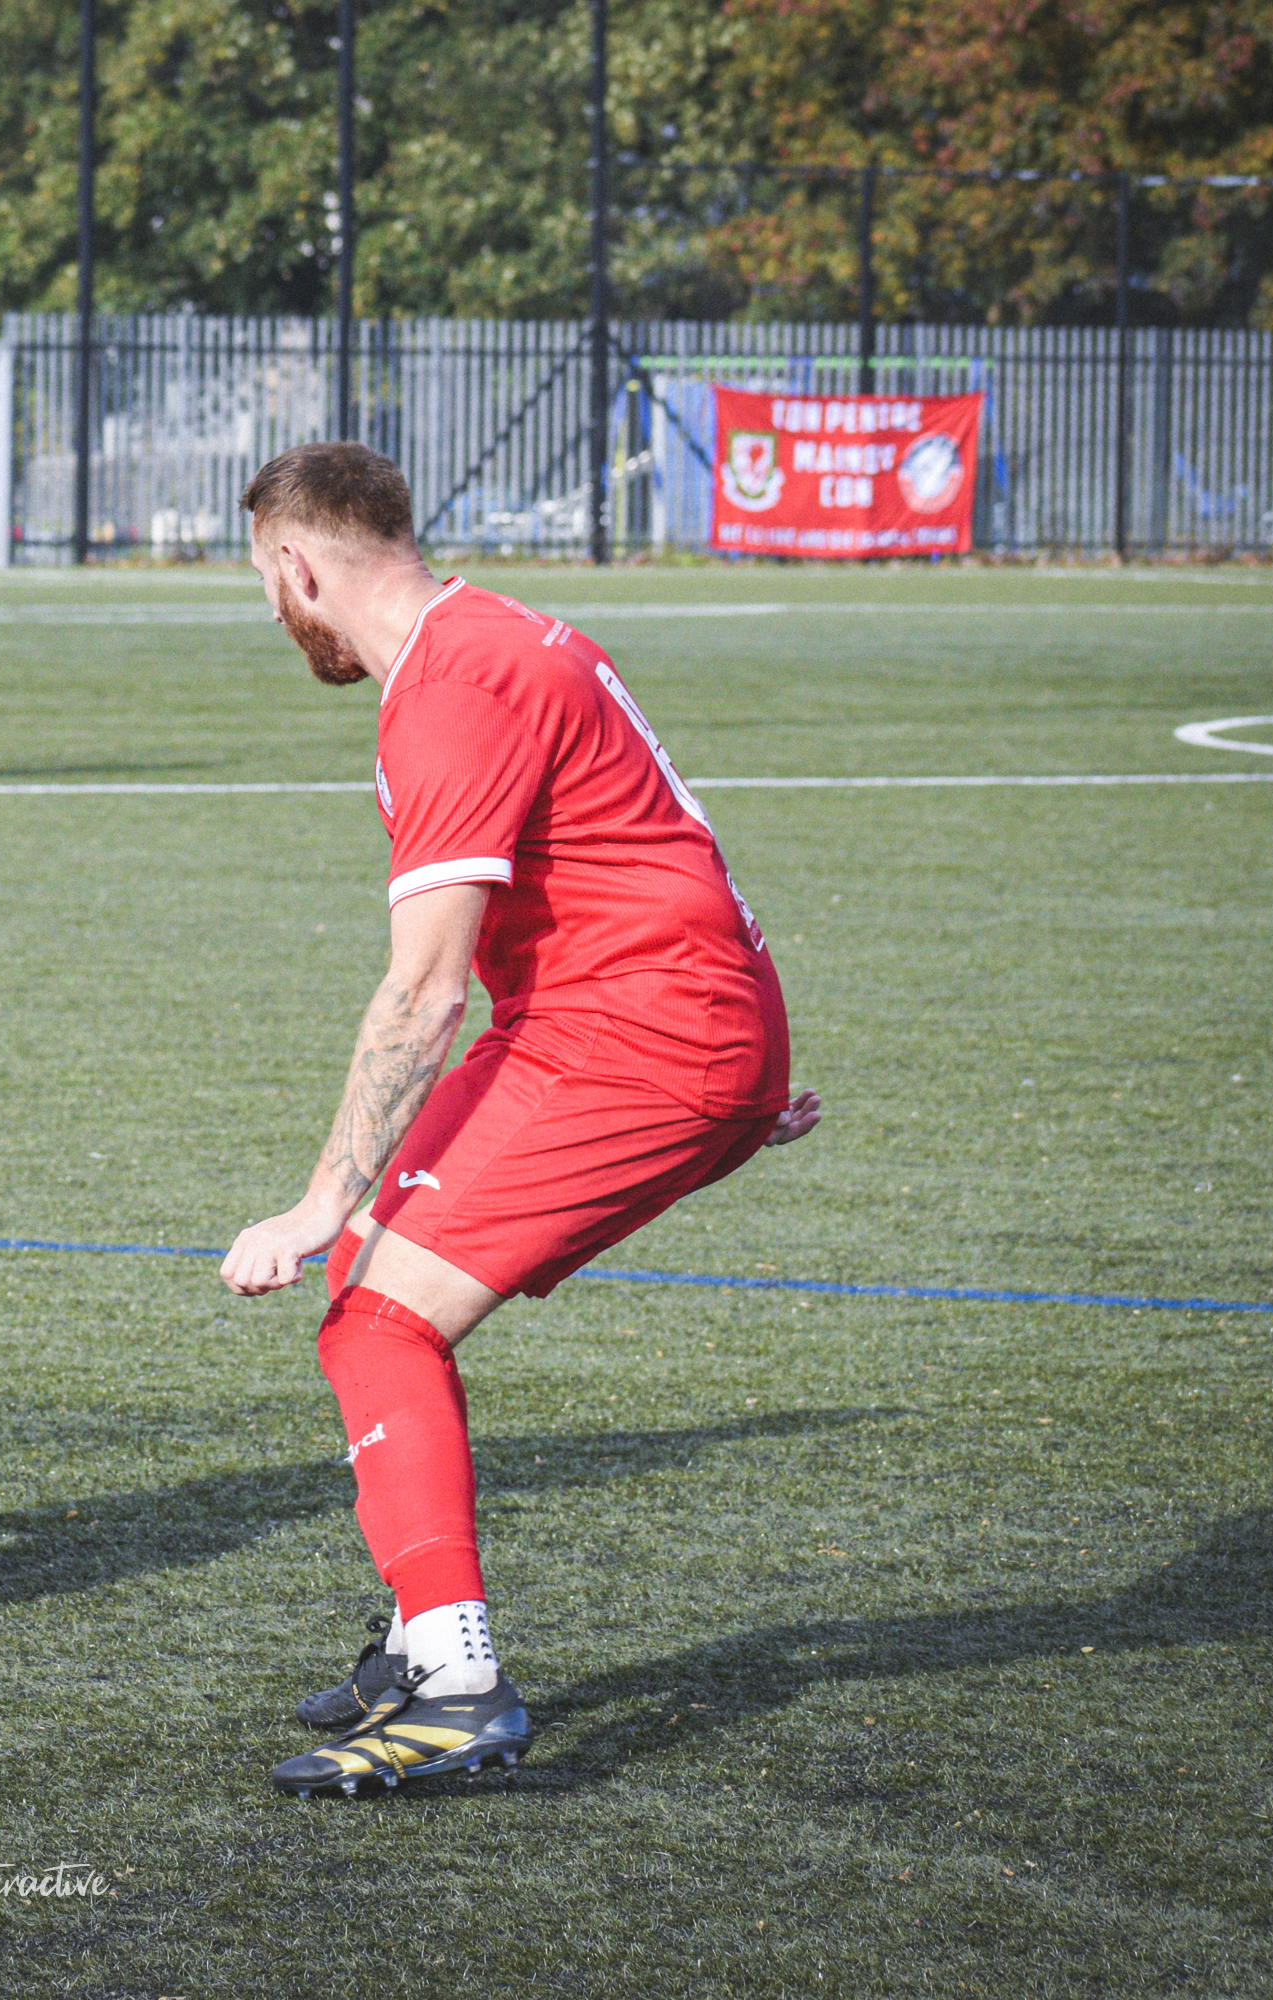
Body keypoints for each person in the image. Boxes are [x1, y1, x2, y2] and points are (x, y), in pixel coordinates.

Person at [217, 443, 822, 1799]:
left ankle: (459, 1684)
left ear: (297, 564)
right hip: (635, 1022)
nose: (272, 611)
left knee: (377, 1317)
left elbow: (423, 992)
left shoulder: (452, 688)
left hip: (632, 1037)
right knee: (371, 1290)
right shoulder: (494, 634)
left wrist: (317, 1197)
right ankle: (419, 1642)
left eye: (263, 583)